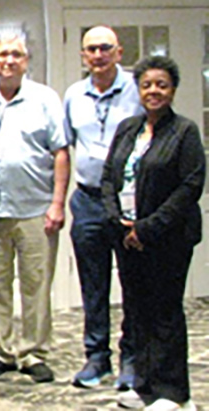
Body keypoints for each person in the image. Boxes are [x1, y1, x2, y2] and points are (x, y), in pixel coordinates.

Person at [0, 35, 69, 384]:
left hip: (36, 209)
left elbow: (60, 153)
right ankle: (2, 352)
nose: (8, 60)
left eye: (16, 54)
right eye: (2, 54)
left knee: (37, 284)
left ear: (26, 60)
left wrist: (57, 203)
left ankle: (34, 352)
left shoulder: (45, 99)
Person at [103, 56, 203, 411]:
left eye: (161, 85)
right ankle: (144, 386)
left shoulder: (185, 131)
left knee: (165, 312)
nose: (154, 91)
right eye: (147, 85)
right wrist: (119, 222)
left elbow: (190, 187)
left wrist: (146, 228)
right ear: (138, 89)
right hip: (127, 237)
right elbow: (109, 179)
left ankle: (173, 393)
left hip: (167, 238)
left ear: (173, 89)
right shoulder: (129, 128)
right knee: (137, 312)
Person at [63, 26, 143, 390]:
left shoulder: (137, 89)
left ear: (119, 52)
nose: (98, 55)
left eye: (105, 48)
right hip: (88, 199)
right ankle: (97, 359)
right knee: (93, 284)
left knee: (133, 281)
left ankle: (132, 357)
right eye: (91, 49)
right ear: (83, 55)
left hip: (129, 201)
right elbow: (64, 148)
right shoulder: (74, 95)